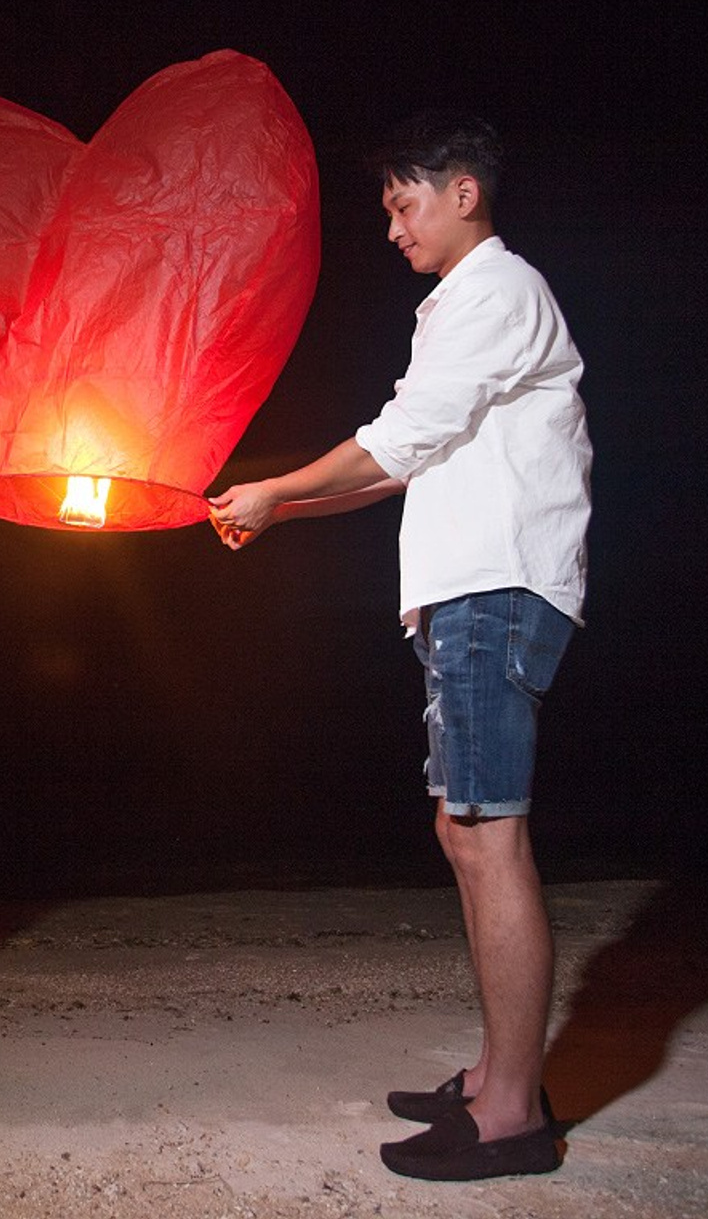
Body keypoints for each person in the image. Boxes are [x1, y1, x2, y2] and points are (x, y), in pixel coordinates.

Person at [209, 113, 591, 1182]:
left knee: (484, 831)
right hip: (471, 590)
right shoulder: (462, 307)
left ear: (461, 191)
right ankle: (491, 1075)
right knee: (464, 825)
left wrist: (278, 485)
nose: (389, 225)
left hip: (492, 587)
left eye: (400, 202)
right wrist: (280, 510)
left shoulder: (496, 291)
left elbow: (396, 439)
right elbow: (400, 463)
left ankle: (511, 1112)